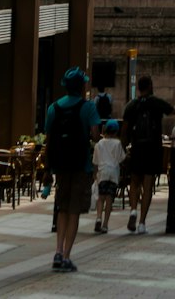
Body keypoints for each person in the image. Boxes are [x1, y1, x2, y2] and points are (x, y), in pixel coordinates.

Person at [43, 66, 99, 273]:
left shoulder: (53, 108)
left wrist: (48, 168)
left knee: (62, 207)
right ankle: (66, 255)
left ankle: (57, 251)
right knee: (74, 210)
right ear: (82, 86)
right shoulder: (88, 107)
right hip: (80, 164)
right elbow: (95, 135)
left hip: (60, 165)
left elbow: (48, 141)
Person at [121, 74, 175, 233]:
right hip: (153, 149)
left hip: (137, 147)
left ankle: (132, 210)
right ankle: (142, 223)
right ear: (150, 86)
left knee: (134, 182)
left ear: (138, 87)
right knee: (148, 184)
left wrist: (124, 150)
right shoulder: (156, 103)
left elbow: (124, 131)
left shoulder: (131, 106)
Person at [92, 119, 125, 233]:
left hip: (102, 172)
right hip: (113, 173)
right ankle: (105, 224)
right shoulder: (118, 143)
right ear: (116, 132)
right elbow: (121, 159)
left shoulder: (99, 144)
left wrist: (95, 175)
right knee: (109, 199)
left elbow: (95, 162)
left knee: (100, 198)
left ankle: (98, 218)